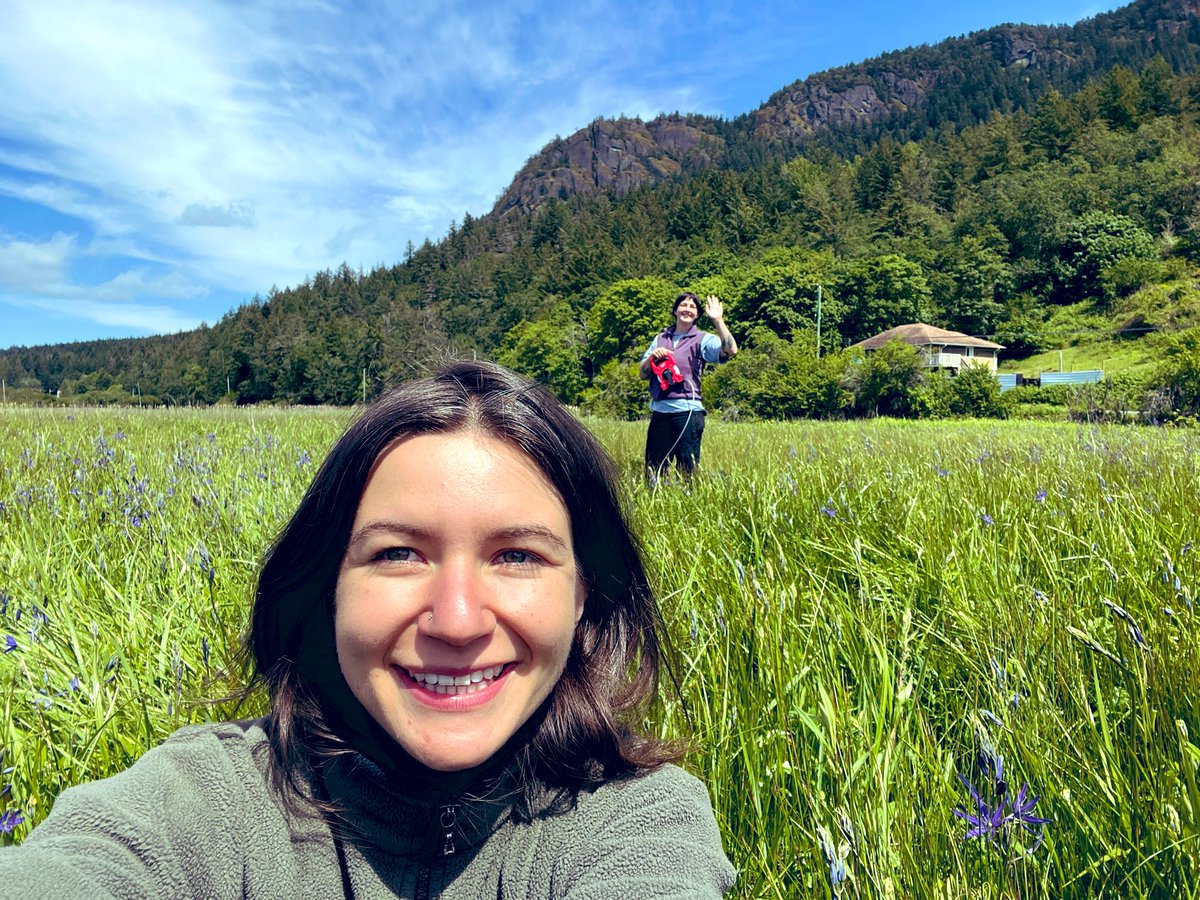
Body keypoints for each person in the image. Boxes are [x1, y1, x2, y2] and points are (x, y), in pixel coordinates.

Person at [0, 361, 735, 898]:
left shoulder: (635, 825)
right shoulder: (201, 807)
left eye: (516, 555)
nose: (456, 620)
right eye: (397, 554)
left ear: (585, 598)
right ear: (327, 590)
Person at [639, 292, 738, 481]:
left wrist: (717, 320)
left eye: (693, 307)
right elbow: (643, 373)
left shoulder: (702, 339)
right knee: (654, 471)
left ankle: (687, 505)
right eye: (683, 305)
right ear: (675, 310)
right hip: (660, 412)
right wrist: (653, 357)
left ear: (698, 315)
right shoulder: (660, 338)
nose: (687, 309)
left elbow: (731, 350)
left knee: (688, 472)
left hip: (688, 412)